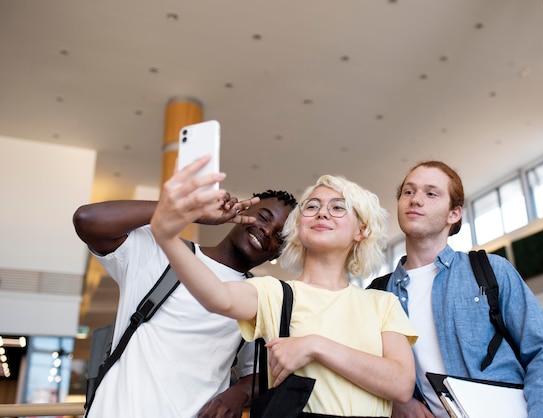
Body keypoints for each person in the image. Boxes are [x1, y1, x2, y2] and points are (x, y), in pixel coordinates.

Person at [150, 154, 418, 417]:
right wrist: (167, 237)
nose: (322, 212)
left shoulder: (382, 303)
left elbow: (401, 384)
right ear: (300, 227)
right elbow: (218, 296)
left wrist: (316, 346)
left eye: (338, 207)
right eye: (311, 207)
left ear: (361, 231)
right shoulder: (274, 293)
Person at [368, 160, 543, 418]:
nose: (415, 199)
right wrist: (399, 401)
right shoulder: (378, 294)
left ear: (453, 214)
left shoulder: (490, 270)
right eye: (408, 192)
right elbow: (368, 370)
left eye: (431, 193)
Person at [72, 182, 297, 418]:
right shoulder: (160, 252)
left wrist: (238, 393)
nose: (267, 231)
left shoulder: (257, 297)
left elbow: (259, 373)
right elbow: (86, 219)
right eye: (263, 217)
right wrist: (190, 212)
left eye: (280, 236)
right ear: (241, 212)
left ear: (278, 254)